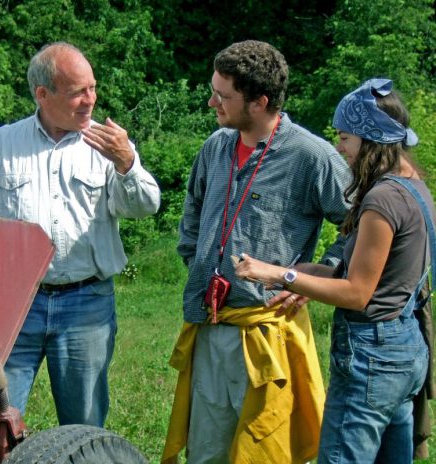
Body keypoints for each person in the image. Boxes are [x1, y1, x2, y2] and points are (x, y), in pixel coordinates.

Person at [0, 42, 160, 426]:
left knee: (85, 424)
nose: (90, 100)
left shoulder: (107, 147)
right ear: (43, 94)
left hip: (85, 303)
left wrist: (126, 162)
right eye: (77, 92)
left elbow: (145, 204)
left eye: (92, 88)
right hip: (14, 301)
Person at [162, 40, 352, 464]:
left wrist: (323, 273)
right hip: (210, 326)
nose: (212, 101)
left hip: (267, 332)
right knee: (207, 452)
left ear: (260, 101)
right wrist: (197, 261)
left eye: (222, 95)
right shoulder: (216, 146)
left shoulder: (312, 156)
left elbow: (360, 224)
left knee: (263, 452)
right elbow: (193, 210)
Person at [235, 78, 431, 463]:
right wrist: (302, 271)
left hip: (372, 357)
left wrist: (278, 276)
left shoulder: (382, 199)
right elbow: (374, 273)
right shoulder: (414, 187)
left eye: (345, 137)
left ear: (370, 136)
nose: (340, 148)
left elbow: (358, 292)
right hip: (404, 347)